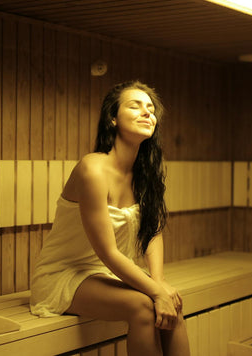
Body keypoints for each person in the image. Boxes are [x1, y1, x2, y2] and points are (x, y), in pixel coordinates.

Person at [30, 81, 190, 356]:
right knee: (143, 306)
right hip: (65, 274)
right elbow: (107, 252)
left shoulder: (145, 173)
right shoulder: (92, 170)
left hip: (106, 273)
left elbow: (152, 231)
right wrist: (155, 292)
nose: (146, 113)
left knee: (172, 303)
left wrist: (159, 281)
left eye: (151, 109)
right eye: (135, 106)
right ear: (113, 118)